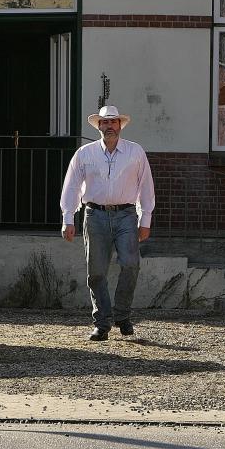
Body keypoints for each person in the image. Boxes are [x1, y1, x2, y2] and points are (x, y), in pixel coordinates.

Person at [59, 105, 155, 341]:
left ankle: (122, 315)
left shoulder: (135, 152)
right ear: (99, 126)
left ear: (120, 125)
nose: (109, 126)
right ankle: (102, 322)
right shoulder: (85, 153)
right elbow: (72, 186)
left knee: (131, 264)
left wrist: (146, 218)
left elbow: (145, 185)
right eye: (105, 122)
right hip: (95, 215)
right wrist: (68, 217)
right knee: (96, 271)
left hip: (126, 214)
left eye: (113, 122)